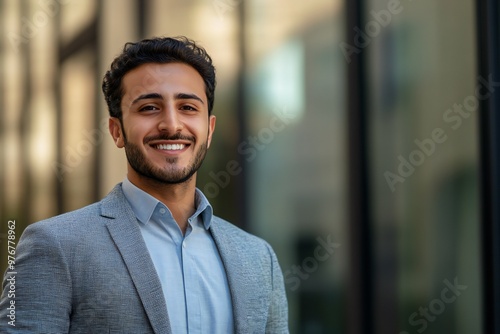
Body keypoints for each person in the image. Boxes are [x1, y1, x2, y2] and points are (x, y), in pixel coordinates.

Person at [0, 36, 289, 333]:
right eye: (149, 108)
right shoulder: (54, 245)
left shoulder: (258, 257)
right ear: (117, 131)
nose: (172, 125)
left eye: (188, 107)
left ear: (210, 129)